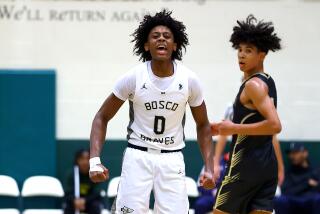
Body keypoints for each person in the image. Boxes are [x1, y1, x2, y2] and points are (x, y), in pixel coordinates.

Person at [89, 9, 216, 214]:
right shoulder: (133, 77)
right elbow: (101, 117)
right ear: (146, 45)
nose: (161, 40)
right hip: (138, 156)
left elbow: (203, 124)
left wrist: (209, 167)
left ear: (175, 45)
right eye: (155, 36)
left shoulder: (189, 80)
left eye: (167, 36)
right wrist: (94, 160)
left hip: (172, 158)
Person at [211, 14, 282, 214]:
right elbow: (260, 122)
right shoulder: (267, 80)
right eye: (240, 50)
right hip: (267, 167)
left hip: (244, 166)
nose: (241, 55)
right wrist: (223, 127)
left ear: (262, 54)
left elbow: (275, 125)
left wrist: (233, 128)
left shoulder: (253, 85)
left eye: (248, 51)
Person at [274, 142, 320, 214]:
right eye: (290, 153)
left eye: (296, 152)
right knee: (279, 200)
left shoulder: (316, 171)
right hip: (292, 202)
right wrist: (307, 183)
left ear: (305, 153)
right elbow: (285, 191)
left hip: (310, 201)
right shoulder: (287, 173)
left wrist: (297, 187)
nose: (292, 156)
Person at [64, 149, 104, 214]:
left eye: (87, 159)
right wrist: (74, 201)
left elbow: (97, 193)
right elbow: (67, 192)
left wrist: (84, 200)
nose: (85, 162)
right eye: (82, 159)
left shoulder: (95, 174)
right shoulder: (72, 174)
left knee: (95, 206)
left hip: (90, 202)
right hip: (74, 202)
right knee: (67, 207)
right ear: (77, 160)